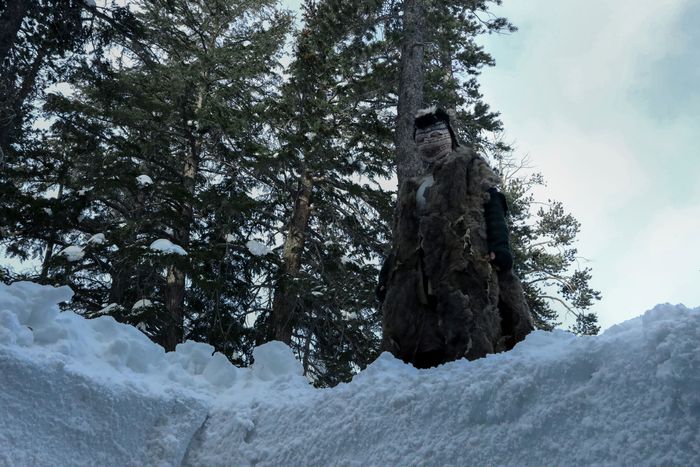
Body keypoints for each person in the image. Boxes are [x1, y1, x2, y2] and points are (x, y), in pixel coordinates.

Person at [378, 106, 533, 368]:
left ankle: (475, 374)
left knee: (470, 320)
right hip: (420, 268)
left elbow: (492, 202)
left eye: (435, 135)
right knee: (420, 327)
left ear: (450, 135)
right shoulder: (415, 185)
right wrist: (388, 273)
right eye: (422, 139)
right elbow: (405, 235)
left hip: (464, 258)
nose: (429, 143)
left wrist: (500, 245)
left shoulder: (468, 166)